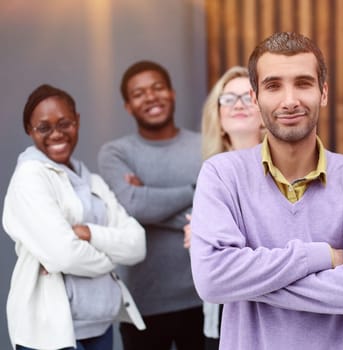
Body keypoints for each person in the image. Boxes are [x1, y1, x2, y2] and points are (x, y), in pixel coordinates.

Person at [189, 32, 343, 350]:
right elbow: (212, 280)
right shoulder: (221, 175)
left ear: (323, 93)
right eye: (273, 86)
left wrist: (246, 281)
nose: (289, 100)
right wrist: (319, 256)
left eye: (303, 83)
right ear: (255, 99)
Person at [3, 84, 146, 350]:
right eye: (43, 127)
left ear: (77, 121)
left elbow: (137, 244)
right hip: (50, 332)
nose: (56, 134)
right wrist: (110, 260)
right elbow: (63, 255)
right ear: (29, 130)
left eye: (64, 123)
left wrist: (89, 233)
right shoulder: (30, 177)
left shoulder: (92, 181)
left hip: (100, 325)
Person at [98, 60, 204, 350]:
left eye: (158, 88)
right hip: (142, 304)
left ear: (171, 93)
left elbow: (224, 220)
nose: (151, 97)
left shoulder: (208, 145)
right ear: (128, 106)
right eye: (139, 93)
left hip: (204, 297)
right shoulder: (115, 153)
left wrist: (146, 198)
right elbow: (134, 208)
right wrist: (197, 191)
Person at [184, 66, 263, 349]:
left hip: (269, 314)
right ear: (217, 113)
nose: (238, 105)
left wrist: (209, 234)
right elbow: (209, 257)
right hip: (220, 314)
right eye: (228, 99)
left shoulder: (283, 170)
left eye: (247, 97)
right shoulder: (210, 173)